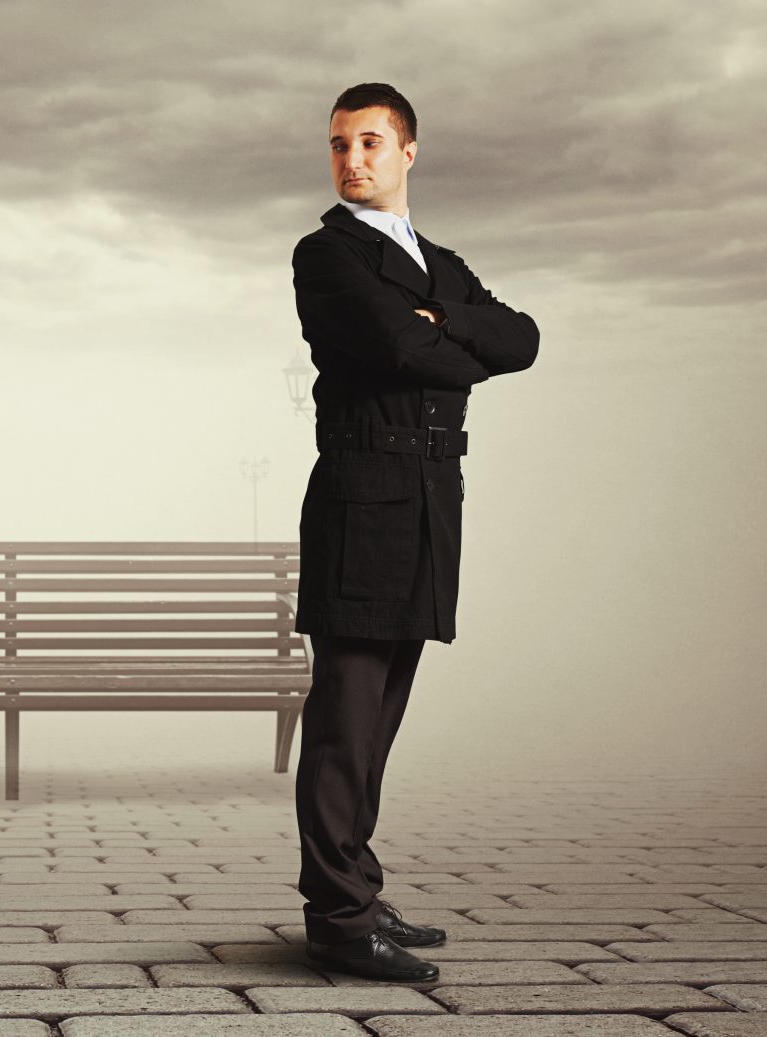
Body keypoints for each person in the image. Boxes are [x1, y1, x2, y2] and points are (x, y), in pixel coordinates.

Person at [290, 83, 539, 982]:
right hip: (364, 503)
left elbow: (524, 337)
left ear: (407, 151)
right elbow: (405, 350)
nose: (349, 160)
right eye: (336, 145)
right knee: (345, 721)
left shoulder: (438, 261)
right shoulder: (326, 255)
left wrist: (450, 321)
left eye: (366, 143)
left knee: (380, 718)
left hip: (430, 505)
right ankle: (339, 921)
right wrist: (445, 338)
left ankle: (356, 882)